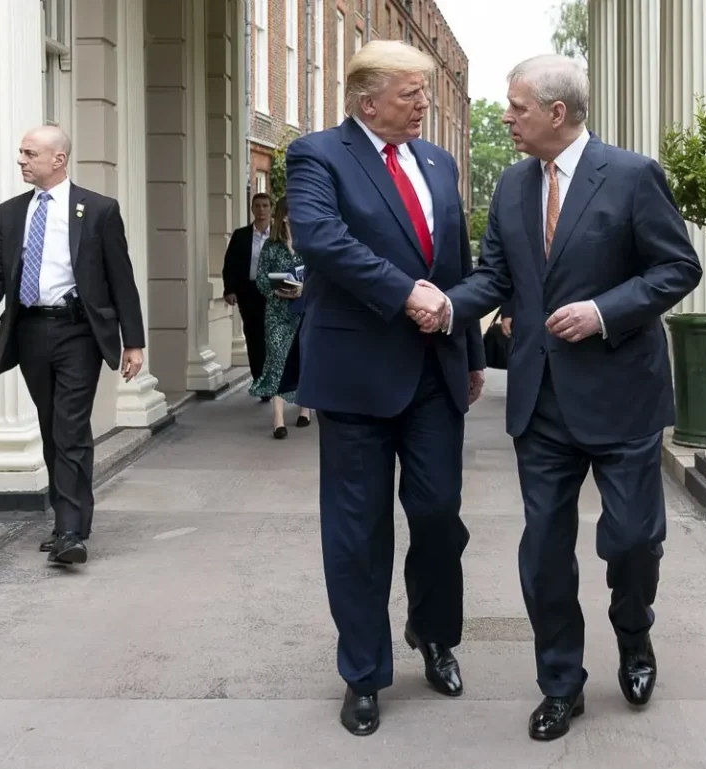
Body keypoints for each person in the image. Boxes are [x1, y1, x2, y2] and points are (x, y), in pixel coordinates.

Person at [411, 54, 703, 741]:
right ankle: (560, 683)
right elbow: (494, 278)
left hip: (623, 394)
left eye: (515, 107)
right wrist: (445, 308)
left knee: (632, 540)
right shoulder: (512, 185)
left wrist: (604, 311)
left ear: (557, 114)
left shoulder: (631, 176)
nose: (505, 117)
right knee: (543, 548)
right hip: (541, 402)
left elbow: (677, 266)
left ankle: (634, 633)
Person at [285, 39, 486, 736]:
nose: (424, 106)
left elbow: (455, 260)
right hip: (355, 374)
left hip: (435, 369)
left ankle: (434, 634)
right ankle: (363, 672)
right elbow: (319, 239)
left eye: (426, 93)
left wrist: (473, 349)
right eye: (411, 95)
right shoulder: (317, 155)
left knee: (438, 514)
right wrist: (405, 295)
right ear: (367, 99)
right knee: (356, 530)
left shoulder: (437, 161)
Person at [0, 125, 146, 566]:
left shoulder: (98, 210)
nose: (21, 160)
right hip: (30, 331)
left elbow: (122, 279)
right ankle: (70, 521)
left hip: (79, 330)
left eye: (29, 153)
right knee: (50, 425)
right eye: (21, 152)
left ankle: (69, 531)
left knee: (70, 427)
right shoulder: (10, 213)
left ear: (58, 159)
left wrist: (133, 342)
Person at [247, 196, 312, 437]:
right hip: (276, 313)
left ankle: (305, 409)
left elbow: (319, 275)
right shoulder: (271, 246)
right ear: (285, 216)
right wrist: (283, 287)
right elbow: (262, 279)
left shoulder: (309, 245)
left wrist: (304, 288)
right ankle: (278, 420)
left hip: (303, 313)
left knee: (303, 359)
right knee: (276, 359)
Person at [222, 193, 272, 399]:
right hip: (249, 292)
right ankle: (260, 379)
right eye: (257, 206)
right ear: (252, 209)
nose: (261, 210)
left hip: (274, 293)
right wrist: (230, 290)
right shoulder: (241, 235)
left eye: (265, 206)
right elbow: (230, 264)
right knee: (254, 336)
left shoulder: (279, 235)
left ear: (271, 209)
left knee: (272, 336)